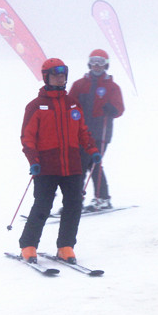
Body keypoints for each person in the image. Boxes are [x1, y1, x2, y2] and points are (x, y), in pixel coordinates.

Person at [19, 58, 101, 264]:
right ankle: (28, 245)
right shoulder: (36, 106)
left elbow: (82, 130)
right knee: (43, 206)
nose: (60, 78)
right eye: (55, 75)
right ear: (46, 77)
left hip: (72, 165)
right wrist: (33, 160)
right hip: (46, 166)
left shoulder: (72, 103)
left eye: (63, 75)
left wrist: (92, 149)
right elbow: (27, 137)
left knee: (74, 205)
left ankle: (66, 246)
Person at [68, 49, 124, 211]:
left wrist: (112, 109)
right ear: (89, 63)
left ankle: (98, 199)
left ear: (106, 64)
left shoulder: (112, 87)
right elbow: (70, 104)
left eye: (100, 61)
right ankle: (79, 200)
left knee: (92, 163)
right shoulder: (80, 84)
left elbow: (119, 108)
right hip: (82, 132)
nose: (97, 65)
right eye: (94, 61)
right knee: (81, 164)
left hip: (101, 133)